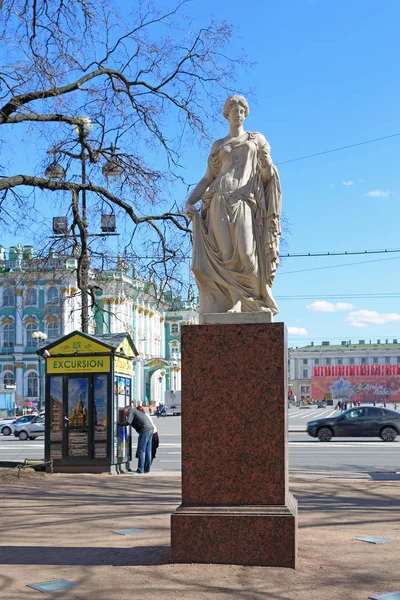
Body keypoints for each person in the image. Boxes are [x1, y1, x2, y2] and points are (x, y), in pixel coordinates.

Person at [185, 94, 282, 315]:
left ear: (245, 115)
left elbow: (267, 177)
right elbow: (208, 178)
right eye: (234, 111)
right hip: (218, 199)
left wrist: (268, 166)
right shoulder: (219, 145)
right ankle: (236, 302)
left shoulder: (256, 139)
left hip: (244, 201)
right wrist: (190, 201)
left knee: (247, 254)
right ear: (226, 114)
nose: (238, 115)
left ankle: (252, 301)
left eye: (241, 111)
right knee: (226, 255)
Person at [125, 406, 154, 474]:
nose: (124, 414)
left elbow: (128, 422)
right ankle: (147, 469)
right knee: (148, 451)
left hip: (144, 430)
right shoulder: (136, 411)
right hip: (150, 429)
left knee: (141, 451)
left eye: (124, 412)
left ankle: (140, 470)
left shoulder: (131, 411)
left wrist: (118, 424)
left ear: (127, 409)